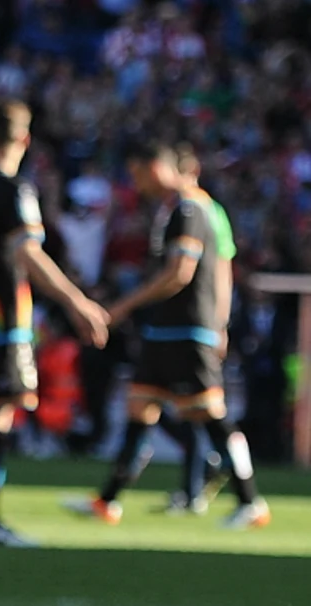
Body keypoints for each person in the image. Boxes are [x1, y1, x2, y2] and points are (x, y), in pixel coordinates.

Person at [64, 142, 268, 529]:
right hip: (166, 329)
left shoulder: (190, 209)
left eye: (138, 173)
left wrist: (123, 307)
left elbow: (179, 273)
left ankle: (251, 500)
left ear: (157, 167)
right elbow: (222, 267)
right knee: (140, 409)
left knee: (211, 415)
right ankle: (107, 500)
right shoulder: (182, 209)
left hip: (187, 327)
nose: (136, 183)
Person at [0, 102, 109, 547]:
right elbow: (27, 253)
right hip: (1, 318)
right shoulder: (14, 189)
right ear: (24, 140)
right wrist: (77, 301)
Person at [130, 144, 236, 513]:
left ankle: (224, 483)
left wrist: (219, 323)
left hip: (193, 322)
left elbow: (221, 269)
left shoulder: (202, 210)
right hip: (173, 322)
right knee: (172, 407)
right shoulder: (175, 209)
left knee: (196, 409)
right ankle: (195, 486)